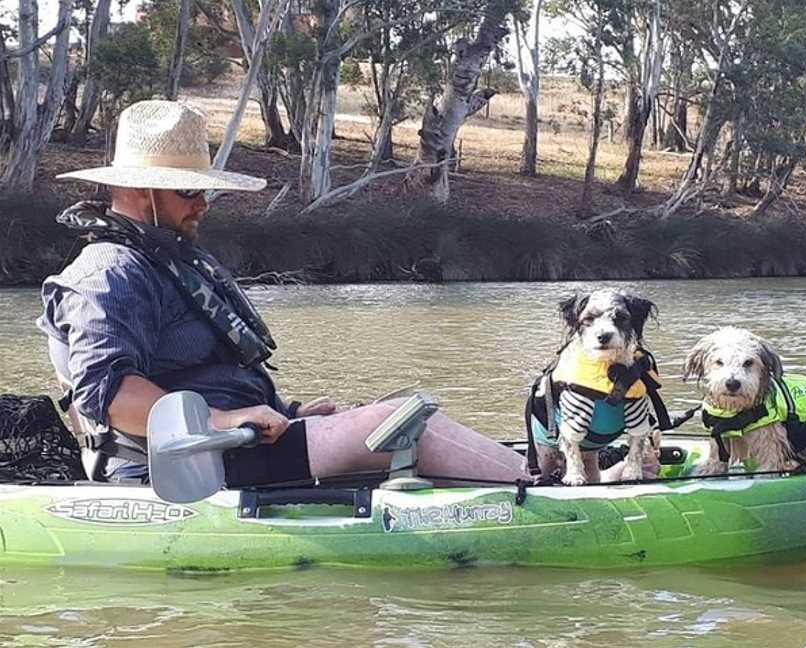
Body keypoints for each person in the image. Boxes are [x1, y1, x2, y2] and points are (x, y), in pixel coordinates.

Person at [37, 100, 528, 487]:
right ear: (141, 191)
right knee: (406, 426)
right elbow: (113, 398)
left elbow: (212, 374)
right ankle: (554, 495)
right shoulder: (109, 271)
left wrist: (287, 413)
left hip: (234, 447)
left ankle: (536, 482)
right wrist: (232, 418)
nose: (203, 204)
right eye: (189, 191)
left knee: (406, 414)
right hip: (178, 470)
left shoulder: (169, 257)